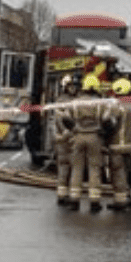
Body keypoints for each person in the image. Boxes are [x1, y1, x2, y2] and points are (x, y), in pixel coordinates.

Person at [62, 74, 113, 212]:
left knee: (76, 168)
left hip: (78, 136)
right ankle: (94, 202)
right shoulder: (101, 103)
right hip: (94, 137)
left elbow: (65, 118)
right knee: (94, 168)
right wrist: (103, 133)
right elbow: (107, 120)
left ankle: (74, 200)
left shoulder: (74, 102)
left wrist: (74, 129)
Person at [105, 78, 131, 211]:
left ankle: (120, 201)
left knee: (118, 172)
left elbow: (108, 124)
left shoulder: (116, 107)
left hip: (116, 145)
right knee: (130, 171)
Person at [53, 75, 79, 205]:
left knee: (66, 168)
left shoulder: (60, 101)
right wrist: (67, 132)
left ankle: (63, 194)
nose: (73, 88)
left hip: (64, 138)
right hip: (69, 138)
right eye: (71, 86)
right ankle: (65, 195)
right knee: (70, 168)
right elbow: (59, 120)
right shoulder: (75, 101)